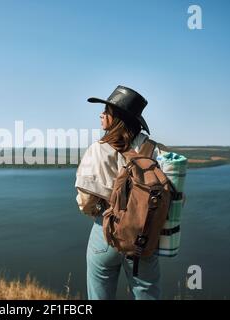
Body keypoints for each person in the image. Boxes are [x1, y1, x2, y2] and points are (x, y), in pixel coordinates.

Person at [75, 85, 167, 300]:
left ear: (117, 118)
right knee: (147, 291)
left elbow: (86, 201)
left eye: (106, 111)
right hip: (145, 233)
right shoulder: (156, 149)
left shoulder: (98, 148)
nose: (101, 114)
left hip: (106, 230)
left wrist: (100, 212)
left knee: (100, 292)